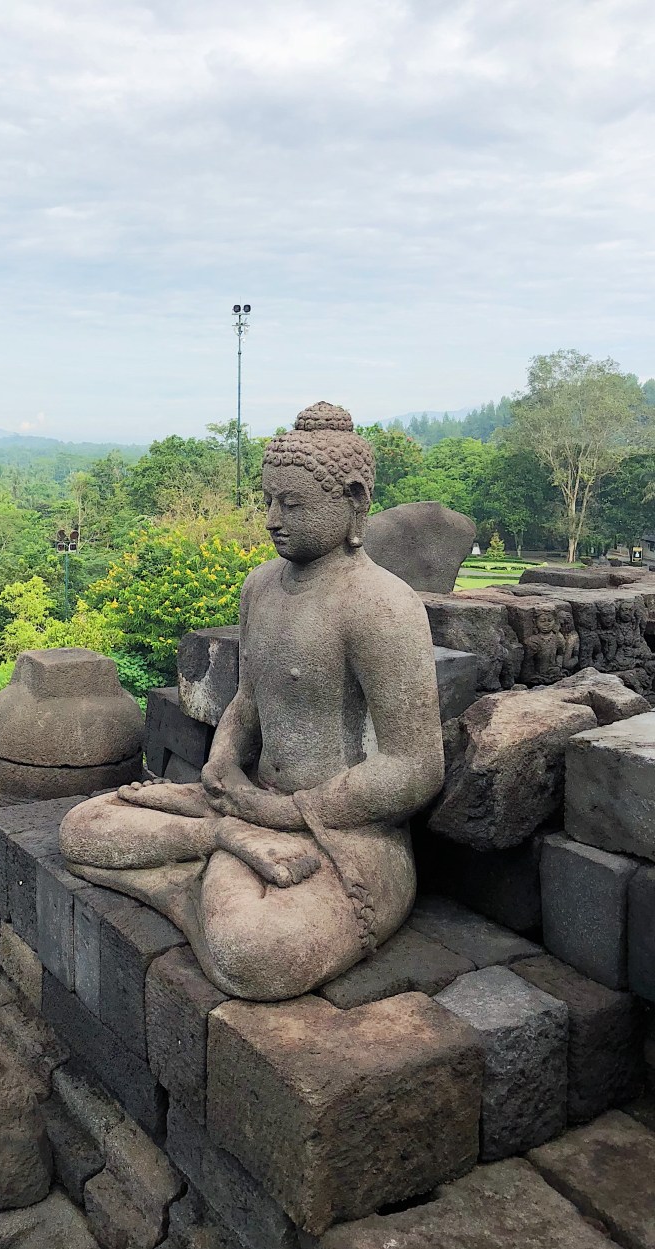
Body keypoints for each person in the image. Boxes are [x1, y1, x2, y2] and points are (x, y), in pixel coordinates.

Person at [60, 402, 444, 1000]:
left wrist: (292, 814)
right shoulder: (260, 587)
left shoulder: (382, 606)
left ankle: (199, 884)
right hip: (244, 809)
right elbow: (249, 699)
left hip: (345, 834)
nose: (271, 519)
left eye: (291, 505)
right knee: (82, 826)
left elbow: (415, 767)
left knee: (258, 951)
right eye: (268, 500)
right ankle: (217, 850)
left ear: (353, 501)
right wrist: (222, 763)